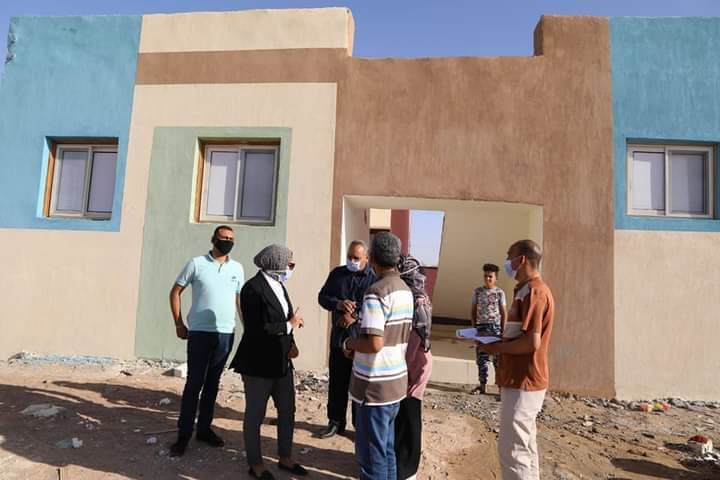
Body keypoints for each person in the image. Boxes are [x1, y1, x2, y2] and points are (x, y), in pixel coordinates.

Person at [477, 240, 555, 480]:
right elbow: (518, 335)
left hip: (524, 380)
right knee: (525, 445)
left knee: (513, 450)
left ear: (521, 260)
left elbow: (532, 342)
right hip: (518, 378)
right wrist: (496, 341)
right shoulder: (524, 290)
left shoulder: (534, 292)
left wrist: (496, 348)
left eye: (509, 256)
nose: (506, 262)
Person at [228, 244, 307, 480]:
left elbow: (286, 318)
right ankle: (256, 464)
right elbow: (256, 329)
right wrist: (289, 325)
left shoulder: (280, 286)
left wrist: (291, 343)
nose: (291, 268)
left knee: (287, 411)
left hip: (281, 363)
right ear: (276, 263)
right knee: (255, 415)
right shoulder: (253, 289)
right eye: (289, 264)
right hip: (258, 364)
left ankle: (285, 457)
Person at [169, 225, 245, 457]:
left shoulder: (237, 268)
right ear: (214, 239)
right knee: (194, 383)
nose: (227, 241)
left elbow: (239, 300)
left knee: (213, 383)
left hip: (226, 333)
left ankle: (204, 429)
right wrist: (179, 324)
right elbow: (175, 292)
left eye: (231, 239)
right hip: (200, 333)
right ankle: (183, 434)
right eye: (224, 238)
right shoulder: (197, 264)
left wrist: (248, 329)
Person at [344, 232, 413, 480]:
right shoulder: (404, 289)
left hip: (374, 387)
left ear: (372, 258)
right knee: (386, 448)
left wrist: (349, 343)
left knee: (372, 455)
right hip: (395, 383)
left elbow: (374, 343)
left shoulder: (376, 292)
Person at [317, 240, 376, 438]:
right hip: (339, 338)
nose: (352, 261)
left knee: (360, 385)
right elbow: (322, 297)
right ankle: (335, 422)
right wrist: (339, 304)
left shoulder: (374, 279)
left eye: (356, 258)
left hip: (362, 341)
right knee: (337, 382)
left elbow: (377, 307)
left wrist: (356, 315)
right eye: (349, 257)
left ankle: (359, 427)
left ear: (366, 258)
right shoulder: (337, 274)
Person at [394, 254, 433, 480]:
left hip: (414, 366)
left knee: (410, 416)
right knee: (403, 416)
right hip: (413, 364)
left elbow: (415, 341)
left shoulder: (416, 301)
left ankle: (407, 469)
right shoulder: (414, 297)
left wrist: (402, 371)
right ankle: (401, 464)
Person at [471, 263, 507, 394]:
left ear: (496, 278)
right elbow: (473, 311)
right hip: (481, 328)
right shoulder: (478, 292)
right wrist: (474, 329)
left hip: (495, 328)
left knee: (498, 359)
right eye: (485, 276)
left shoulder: (499, 293)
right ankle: (482, 386)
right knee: (482, 359)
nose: (487, 279)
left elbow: (503, 312)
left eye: (490, 277)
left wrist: (503, 331)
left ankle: (501, 388)